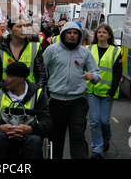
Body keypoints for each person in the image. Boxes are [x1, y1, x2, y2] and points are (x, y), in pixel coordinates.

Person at [43, 21, 100, 159]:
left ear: (79, 35)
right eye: (69, 33)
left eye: (75, 33)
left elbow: (96, 73)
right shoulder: (52, 49)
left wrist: (93, 76)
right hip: (56, 101)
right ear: (63, 34)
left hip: (78, 101)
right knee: (55, 137)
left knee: (78, 135)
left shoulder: (85, 52)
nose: (72, 36)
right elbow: (41, 70)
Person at [0, 62, 53, 159]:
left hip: (27, 138)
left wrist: (30, 129)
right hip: (3, 136)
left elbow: (47, 122)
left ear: (21, 78)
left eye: (9, 76)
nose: (5, 79)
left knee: (35, 141)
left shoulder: (37, 94)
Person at [85, 23, 122, 159]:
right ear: (96, 35)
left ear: (109, 35)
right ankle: (97, 147)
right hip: (91, 90)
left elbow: (118, 73)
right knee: (94, 120)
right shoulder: (88, 49)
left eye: (104, 32)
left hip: (107, 92)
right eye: (99, 32)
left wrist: (112, 91)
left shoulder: (116, 51)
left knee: (104, 121)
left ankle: (106, 140)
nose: (101, 34)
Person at [0, 16, 46, 88]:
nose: (23, 29)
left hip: (29, 93)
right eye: (19, 26)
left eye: (24, 26)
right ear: (10, 30)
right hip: (7, 93)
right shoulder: (0, 48)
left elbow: (41, 75)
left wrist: (37, 94)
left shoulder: (35, 47)